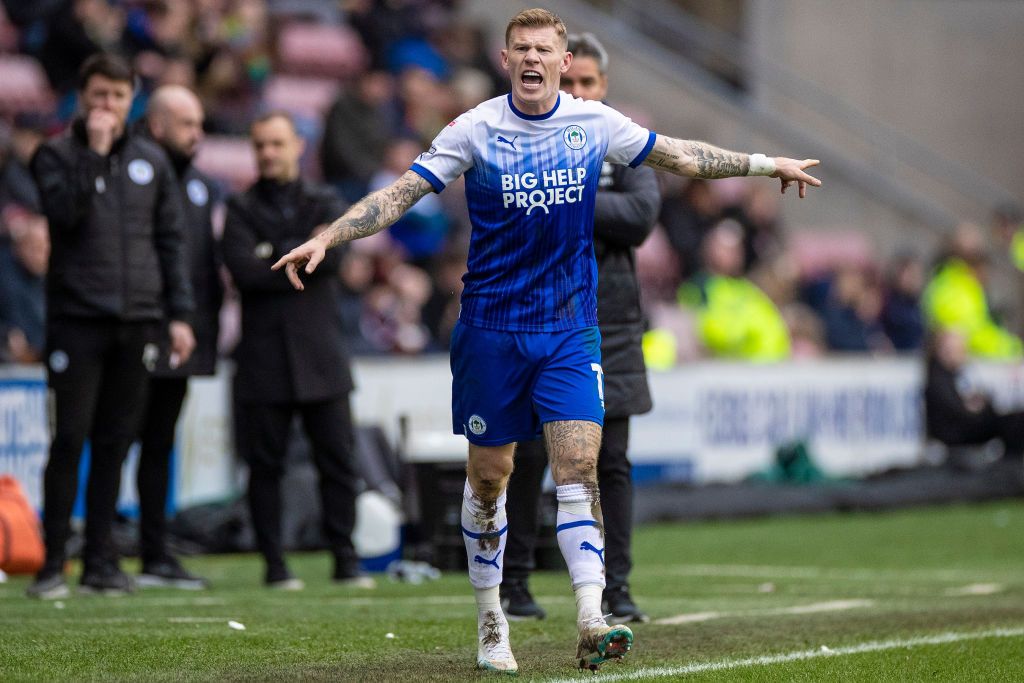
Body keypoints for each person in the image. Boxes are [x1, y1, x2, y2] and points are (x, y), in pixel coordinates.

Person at [272, 8, 820, 675]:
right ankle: (490, 616)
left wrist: (768, 164)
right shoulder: (476, 127)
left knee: (578, 468)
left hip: (568, 329)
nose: (532, 58)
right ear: (506, 60)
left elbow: (682, 155)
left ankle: (591, 614)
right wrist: (331, 235)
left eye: (543, 49)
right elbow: (402, 193)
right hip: (491, 332)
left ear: (563, 62)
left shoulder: (594, 124)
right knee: (490, 477)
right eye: (520, 48)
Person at [499, 31, 660, 625]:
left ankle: (616, 588)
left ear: (604, 87)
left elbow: (641, 217)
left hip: (611, 323)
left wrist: (565, 193)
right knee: (530, 453)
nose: (578, 92)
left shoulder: (621, 144)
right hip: (540, 315)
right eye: (572, 83)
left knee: (611, 461)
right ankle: (515, 581)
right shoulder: (519, 138)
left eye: (589, 83)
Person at [27, 53, 195, 599]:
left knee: (115, 443)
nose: (107, 106)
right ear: (82, 96)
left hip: (140, 320)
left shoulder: (153, 160)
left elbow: (172, 243)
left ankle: (100, 560)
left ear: (131, 100)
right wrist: (96, 156)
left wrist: (180, 314)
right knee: (69, 439)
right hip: (77, 320)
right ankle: (53, 562)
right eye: (99, 95)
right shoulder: (54, 154)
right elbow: (64, 216)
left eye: (118, 97)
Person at [221, 112, 368, 591]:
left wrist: (272, 255)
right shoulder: (240, 208)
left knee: (339, 463)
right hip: (263, 359)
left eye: (276, 144)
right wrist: (301, 251)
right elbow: (242, 270)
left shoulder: (326, 200)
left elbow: (337, 257)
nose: (267, 153)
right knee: (265, 467)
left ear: (296, 147)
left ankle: (346, 560)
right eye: (260, 145)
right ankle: (274, 564)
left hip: (322, 356)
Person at [134, 86, 222, 590]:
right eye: (187, 124)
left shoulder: (201, 187)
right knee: (115, 439)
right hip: (142, 329)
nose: (197, 134)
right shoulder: (139, 180)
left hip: (186, 335)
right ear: (158, 125)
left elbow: (201, 265)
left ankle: (154, 552)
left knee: (159, 443)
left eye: (199, 123)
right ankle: (98, 552)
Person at [679, 220, 791, 361]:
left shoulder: (746, 288)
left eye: (736, 248)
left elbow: (770, 326)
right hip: (716, 366)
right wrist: (744, 332)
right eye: (726, 248)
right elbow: (701, 327)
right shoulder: (699, 286)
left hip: (759, 368)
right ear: (710, 249)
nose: (733, 254)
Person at [924, 328, 1024, 461]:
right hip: (955, 434)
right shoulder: (938, 378)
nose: (961, 354)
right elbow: (959, 411)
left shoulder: (957, 374)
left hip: (967, 426)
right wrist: (981, 410)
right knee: (1011, 423)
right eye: (956, 350)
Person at [0, 208, 48, 364]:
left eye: (43, 249)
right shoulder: (5, 276)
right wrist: (7, 335)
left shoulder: (60, 277)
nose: (38, 255)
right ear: (18, 247)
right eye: (33, 248)